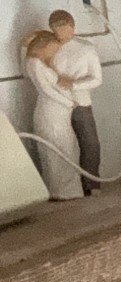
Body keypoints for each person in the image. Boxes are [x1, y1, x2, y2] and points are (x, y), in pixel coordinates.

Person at [21, 30, 83, 200]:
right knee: (56, 149)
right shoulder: (33, 63)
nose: (54, 53)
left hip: (60, 112)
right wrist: (69, 103)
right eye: (53, 49)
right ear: (44, 46)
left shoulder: (42, 63)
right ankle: (60, 190)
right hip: (51, 112)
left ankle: (69, 189)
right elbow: (46, 89)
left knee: (67, 147)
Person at [46, 10, 103, 194]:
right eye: (56, 30)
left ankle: (91, 184)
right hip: (56, 104)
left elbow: (97, 79)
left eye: (64, 29)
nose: (60, 35)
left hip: (80, 102)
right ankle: (68, 187)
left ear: (72, 26)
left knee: (90, 144)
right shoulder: (49, 47)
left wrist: (73, 84)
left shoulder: (86, 48)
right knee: (61, 145)